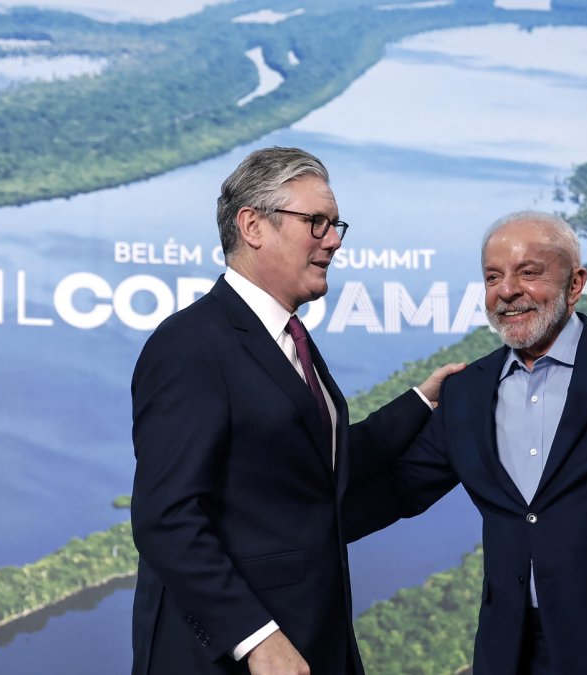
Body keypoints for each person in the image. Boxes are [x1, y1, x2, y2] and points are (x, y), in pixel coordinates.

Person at [129, 146, 462, 675]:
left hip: (315, 642)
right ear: (253, 225)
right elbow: (165, 518)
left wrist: (424, 402)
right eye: (316, 223)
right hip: (235, 659)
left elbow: (320, 467)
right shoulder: (191, 345)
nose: (333, 240)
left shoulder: (289, 339)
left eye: (336, 225)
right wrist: (256, 640)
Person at [345, 212, 587, 675]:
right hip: (511, 649)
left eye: (529, 272)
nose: (507, 290)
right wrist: (289, 533)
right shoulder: (467, 391)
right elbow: (399, 491)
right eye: (492, 277)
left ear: (576, 283)